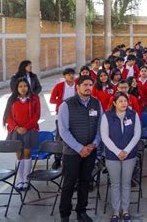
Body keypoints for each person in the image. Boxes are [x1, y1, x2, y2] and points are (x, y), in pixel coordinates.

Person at [58, 75, 102, 222]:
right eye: (85, 85)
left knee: (85, 182)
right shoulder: (66, 105)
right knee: (69, 184)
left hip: (90, 151)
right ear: (78, 87)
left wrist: (94, 144)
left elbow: (100, 128)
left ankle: (81, 211)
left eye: (90, 85)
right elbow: (63, 131)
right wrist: (79, 148)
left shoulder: (96, 103)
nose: (88, 87)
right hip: (72, 153)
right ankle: (65, 214)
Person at [100, 92, 141, 222]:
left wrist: (126, 151)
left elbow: (137, 134)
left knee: (126, 183)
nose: (124, 103)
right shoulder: (107, 116)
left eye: (125, 101)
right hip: (112, 156)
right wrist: (118, 152)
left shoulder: (133, 115)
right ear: (114, 103)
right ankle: (116, 211)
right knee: (115, 184)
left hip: (130, 155)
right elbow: (104, 136)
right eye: (120, 101)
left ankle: (126, 210)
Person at [3, 77, 40, 191]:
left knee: (27, 154)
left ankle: (26, 180)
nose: (23, 88)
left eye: (25, 86)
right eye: (20, 86)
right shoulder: (12, 99)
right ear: (16, 88)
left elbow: (36, 115)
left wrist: (26, 127)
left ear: (28, 87)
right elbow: (8, 116)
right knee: (19, 155)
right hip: (16, 131)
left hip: (30, 130)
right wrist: (16, 127)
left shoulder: (34, 98)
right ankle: (20, 180)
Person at [50, 68, 76, 169]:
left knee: (74, 135)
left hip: (74, 115)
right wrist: (63, 102)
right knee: (59, 136)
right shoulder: (59, 86)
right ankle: (57, 159)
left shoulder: (77, 85)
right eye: (69, 74)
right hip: (60, 114)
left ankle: (72, 156)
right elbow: (52, 100)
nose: (71, 76)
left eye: (72, 74)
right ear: (64, 76)